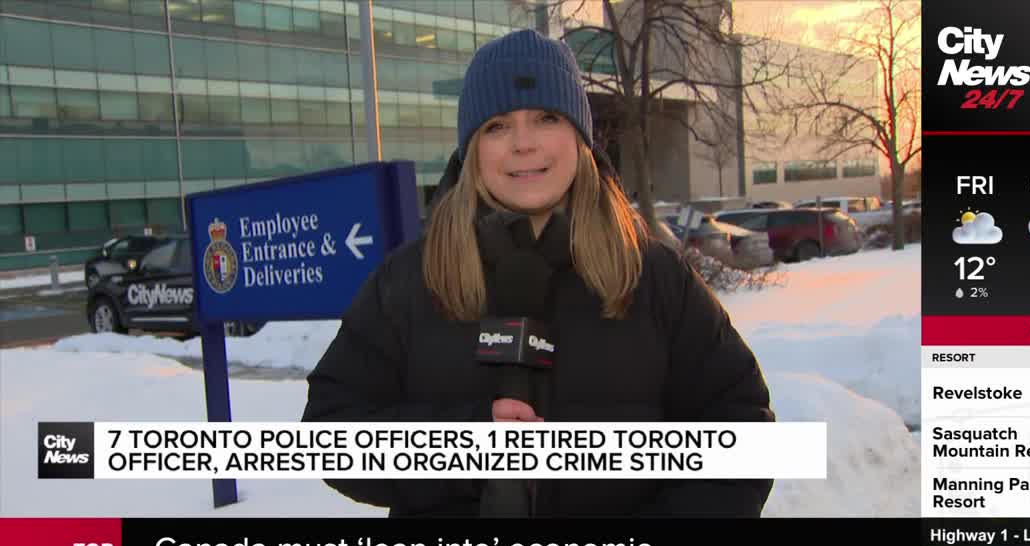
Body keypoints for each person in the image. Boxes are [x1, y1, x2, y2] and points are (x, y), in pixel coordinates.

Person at [302, 29, 773, 517]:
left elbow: (743, 433)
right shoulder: (408, 280)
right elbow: (330, 434)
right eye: (498, 126)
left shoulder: (654, 277)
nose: (524, 144)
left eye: (546, 118)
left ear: (580, 137)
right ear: (472, 149)